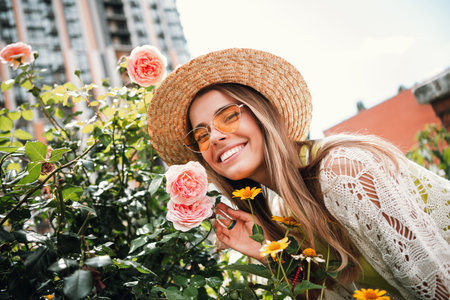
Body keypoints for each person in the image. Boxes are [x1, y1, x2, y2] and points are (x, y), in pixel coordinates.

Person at [147, 48, 450, 299]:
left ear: (262, 114)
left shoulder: (342, 174)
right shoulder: (282, 209)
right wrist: (269, 253)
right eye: (201, 135)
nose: (214, 137)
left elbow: (440, 289)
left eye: (228, 116)